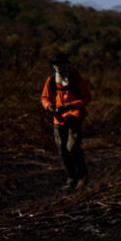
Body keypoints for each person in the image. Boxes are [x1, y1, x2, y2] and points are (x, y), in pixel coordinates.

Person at [41, 52, 91, 190]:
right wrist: (48, 106)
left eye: (60, 64)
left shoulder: (76, 78)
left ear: (66, 64)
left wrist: (72, 106)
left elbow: (87, 98)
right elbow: (44, 98)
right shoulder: (51, 80)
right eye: (55, 64)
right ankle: (71, 178)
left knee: (72, 147)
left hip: (74, 118)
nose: (57, 67)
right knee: (63, 150)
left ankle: (82, 176)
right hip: (58, 119)